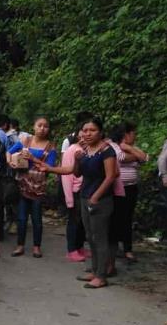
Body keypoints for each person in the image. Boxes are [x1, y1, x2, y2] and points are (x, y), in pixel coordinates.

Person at [39, 118, 117, 288]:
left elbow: (112, 175)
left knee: (100, 237)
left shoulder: (107, 151)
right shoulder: (85, 150)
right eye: (85, 130)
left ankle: (102, 275)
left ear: (101, 132)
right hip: (84, 196)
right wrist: (54, 167)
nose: (87, 134)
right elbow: (75, 172)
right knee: (90, 236)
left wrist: (96, 197)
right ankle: (95, 270)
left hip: (101, 200)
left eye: (92, 130)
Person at [7, 117, 58, 258]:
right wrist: (10, 161)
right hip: (23, 184)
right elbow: (9, 152)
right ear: (33, 127)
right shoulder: (25, 141)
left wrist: (32, 159)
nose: (42, 128)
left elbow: (50, 167)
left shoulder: (50, 147)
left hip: (38, 187)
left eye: (46, 126)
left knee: (36, 218)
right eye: (39, 125)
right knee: (22, 218)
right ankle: (20, 245)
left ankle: (37, 247)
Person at [109, 122, 148, 263]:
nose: (135, 136)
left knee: (127, 218)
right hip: (117, 187)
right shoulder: (112, 145)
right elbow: (120, 157)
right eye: (133, 133)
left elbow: (145, 158)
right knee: (116, 217)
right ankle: (114, 247)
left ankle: (127, 248)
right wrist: (133, 153)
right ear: (126, 134)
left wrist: (129, 149)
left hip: (131, 187)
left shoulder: (130, 147)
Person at [62, 125, 87, 262]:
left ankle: (80, 247)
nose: (86, 134)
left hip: (84, 191)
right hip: (75, 191)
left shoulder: (86, 150)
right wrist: (69, 199)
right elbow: (66, 176)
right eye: (84, 131)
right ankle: (71, 250)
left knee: (82, 223)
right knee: (74, 222)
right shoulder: (72, 150)